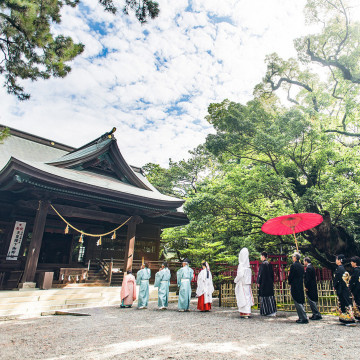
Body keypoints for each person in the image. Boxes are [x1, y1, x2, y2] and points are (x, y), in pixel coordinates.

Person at [333, 254, 355, 324]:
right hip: (344, 287)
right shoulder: (342, 268)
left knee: (344, 302)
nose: (336, 261)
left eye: (336, 259)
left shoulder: (339, 269)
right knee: (345, 301)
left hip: (341, 288)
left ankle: (348, 318)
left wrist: (334, 285)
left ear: (339, 260)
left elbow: (337, 279)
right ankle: (346, 317)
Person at [288, 252, 308, 324]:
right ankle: (302, 317)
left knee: (297, 301)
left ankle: (303, 317)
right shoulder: (301, 266)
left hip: (295, 284)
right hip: (300, 284)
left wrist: (289, 281)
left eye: (293, 256)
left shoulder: (293, 266)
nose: (292, 257)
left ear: (295, 257)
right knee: (300, 300)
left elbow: (291, 275)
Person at [234, 248, 254, 318]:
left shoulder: (241, 265)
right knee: (247, 297)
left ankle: (244, 312)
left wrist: (235, 280)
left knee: (243, 297)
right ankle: (247, 312)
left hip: (242, 284)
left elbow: (240, 275)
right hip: (247, 284)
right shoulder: (248, 266)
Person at [257, 251, 276, 316]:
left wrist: (258, 282)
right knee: (270, 297)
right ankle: (272, 310)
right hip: (269, 283)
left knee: (264, 297)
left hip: (264, 283)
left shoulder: (263, 264)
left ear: (263, 256)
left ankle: (265, 311)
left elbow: (260, 274)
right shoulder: (269, 264)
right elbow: (272, 274)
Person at [349, 256, 360, 321]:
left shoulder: (356, 271)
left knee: (358, 301)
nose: (351, 263)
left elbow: (353, 281)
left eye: (352, 262)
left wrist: (350, 288)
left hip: (356, 289)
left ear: (355, 263)